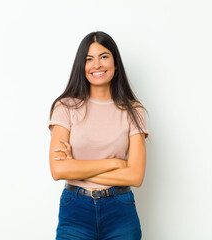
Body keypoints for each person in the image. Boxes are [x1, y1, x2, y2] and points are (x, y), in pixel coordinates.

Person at [48, 31, 149, 240]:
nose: (97, 65)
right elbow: (58, 170)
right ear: (81, 66)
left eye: (104, 56)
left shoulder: (133, 111)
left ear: (115, 62)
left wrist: (75, 167)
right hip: (75, 210)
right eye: (89, 59)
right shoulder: (65, 107)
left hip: (120, 210)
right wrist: (115, 163)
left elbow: (135, 176)